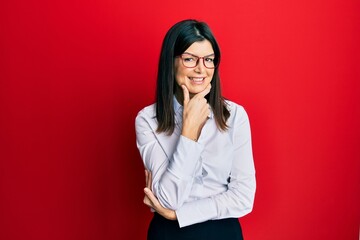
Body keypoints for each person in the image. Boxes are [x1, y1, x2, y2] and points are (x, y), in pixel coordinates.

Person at [135, 19, 256, 240]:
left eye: (208, 60)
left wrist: (177, 215)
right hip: (168, 235)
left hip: (223, 233)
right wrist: (188, 132)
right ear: (170, 62)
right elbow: (168, 198)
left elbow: (243, 198)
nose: (201, 69)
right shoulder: (147, 120)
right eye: (190, 59)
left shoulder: (236, 116)